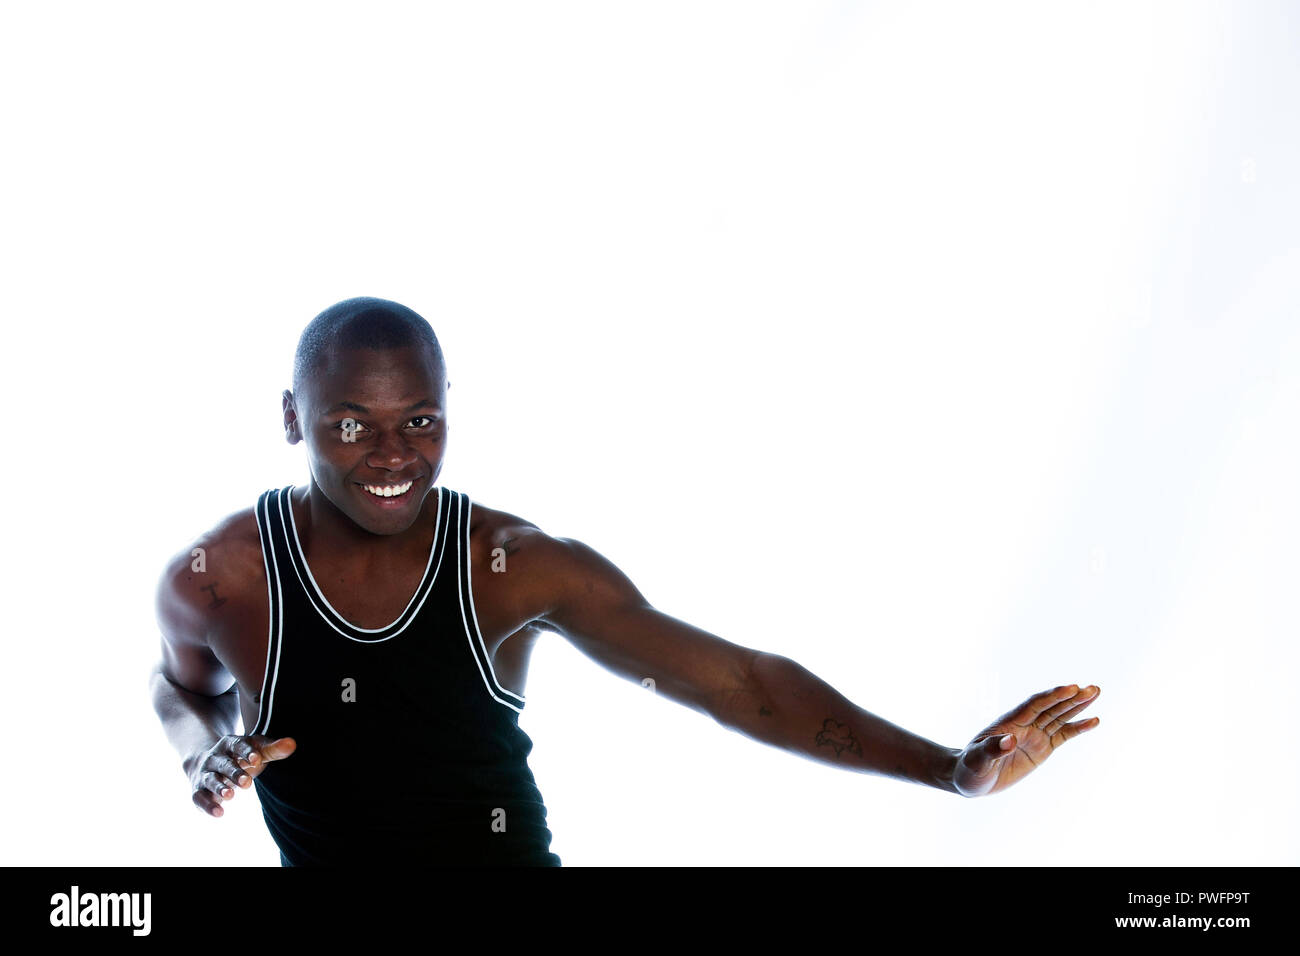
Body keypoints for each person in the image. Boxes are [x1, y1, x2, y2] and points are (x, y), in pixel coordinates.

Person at [150, 296, 1101, 866]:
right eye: (352, 424)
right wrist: (207, 754)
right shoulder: (220, 580)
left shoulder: (513, 567)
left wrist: (946, 770)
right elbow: (182, 690)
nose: (393, 454)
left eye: (421, 421)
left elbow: (739, 685)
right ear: (292, 417)